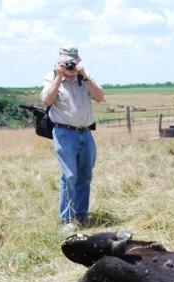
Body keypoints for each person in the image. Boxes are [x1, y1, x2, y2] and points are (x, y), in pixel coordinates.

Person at [41, 46, 105, 229]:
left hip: (86, 133)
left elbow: (100, 97)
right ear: (59, 62)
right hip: (64, 133)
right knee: (69, 176)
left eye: (73, 61)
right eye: (67, 61)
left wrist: (84, 75)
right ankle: (67, 219)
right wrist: (59, 76)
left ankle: (81, 216)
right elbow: (47, 100)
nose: (70, 65)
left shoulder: (84, 77)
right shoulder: (52, 77)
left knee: (85, 176)